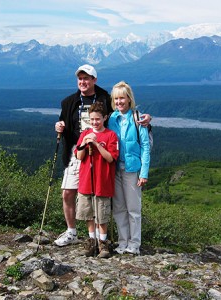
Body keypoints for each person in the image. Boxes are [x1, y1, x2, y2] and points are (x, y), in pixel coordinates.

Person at [54, 64, 152, 247]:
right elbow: (63, 122)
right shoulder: (69, 103)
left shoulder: (105, 99)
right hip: (80, 152)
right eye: (80, 78)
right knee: (71, 193)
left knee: (105, 200)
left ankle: (118, 242)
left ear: (94, 80)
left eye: (87, 78)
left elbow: (131, 124)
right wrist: (59, 126)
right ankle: (76, 233)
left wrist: (147, 119)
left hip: (107, 158)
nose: (83, 82)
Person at [108, 81, 150, 255]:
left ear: (129, 99)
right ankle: (122, 242)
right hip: (115, 169)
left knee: (133, 208)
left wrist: (144, 173)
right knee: (118, 208)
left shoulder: (137, 118)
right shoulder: (111, 119)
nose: (119, 102)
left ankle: (134, 244)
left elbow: (145, 146)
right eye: (116, 99)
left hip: (133, 170)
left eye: (122, 98)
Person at [74, 102, 119, 258]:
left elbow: (111, 158)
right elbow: (79, 156)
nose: (94, 122)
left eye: (98, 119)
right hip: (87, 180)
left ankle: (103, 243)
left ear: (105, 118)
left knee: (102, 214)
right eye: (92, 119)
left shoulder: (110, 135)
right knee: (88, 213)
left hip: (102, 181)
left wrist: (96, 145)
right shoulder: (85, 134)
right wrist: (85, 143)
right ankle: (91, 241)